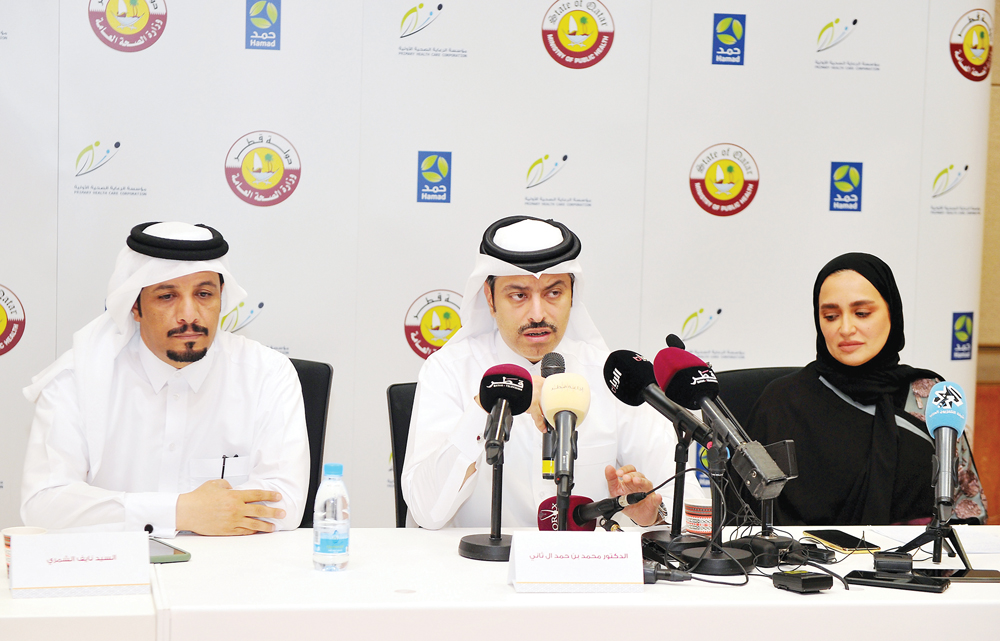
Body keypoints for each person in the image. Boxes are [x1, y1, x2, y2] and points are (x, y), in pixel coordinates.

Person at [21, 222, 310, 537]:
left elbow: (285, 505)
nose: (189, 314)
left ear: (221, 298)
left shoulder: (268, 374)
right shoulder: (77, 378)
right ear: (135, 306)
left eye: (203, 294)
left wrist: (133, 513)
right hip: (114, 574)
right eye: (167, 296)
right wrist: (180, 512)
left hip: (231, 575)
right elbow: (43, 503)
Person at [401, 215, 683, 529]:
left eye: (553, 293)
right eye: (519, 295)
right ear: (490, 298)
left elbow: (682, 501)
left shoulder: (613, 376)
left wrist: (652, 515)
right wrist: (486, 404)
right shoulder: (449, 371)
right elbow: (427, 512)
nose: (538, 314)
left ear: (572, 295)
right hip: (478, 570)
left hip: (584, 570)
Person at [745, 252, 986, 525]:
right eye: (831, 316)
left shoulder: (931, 397)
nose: (846, 328)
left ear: (892, 313)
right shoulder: (780, 403)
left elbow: (966, 512)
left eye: (862, 313)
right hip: (803, 565)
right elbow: (745, 516)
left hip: (916, 564)